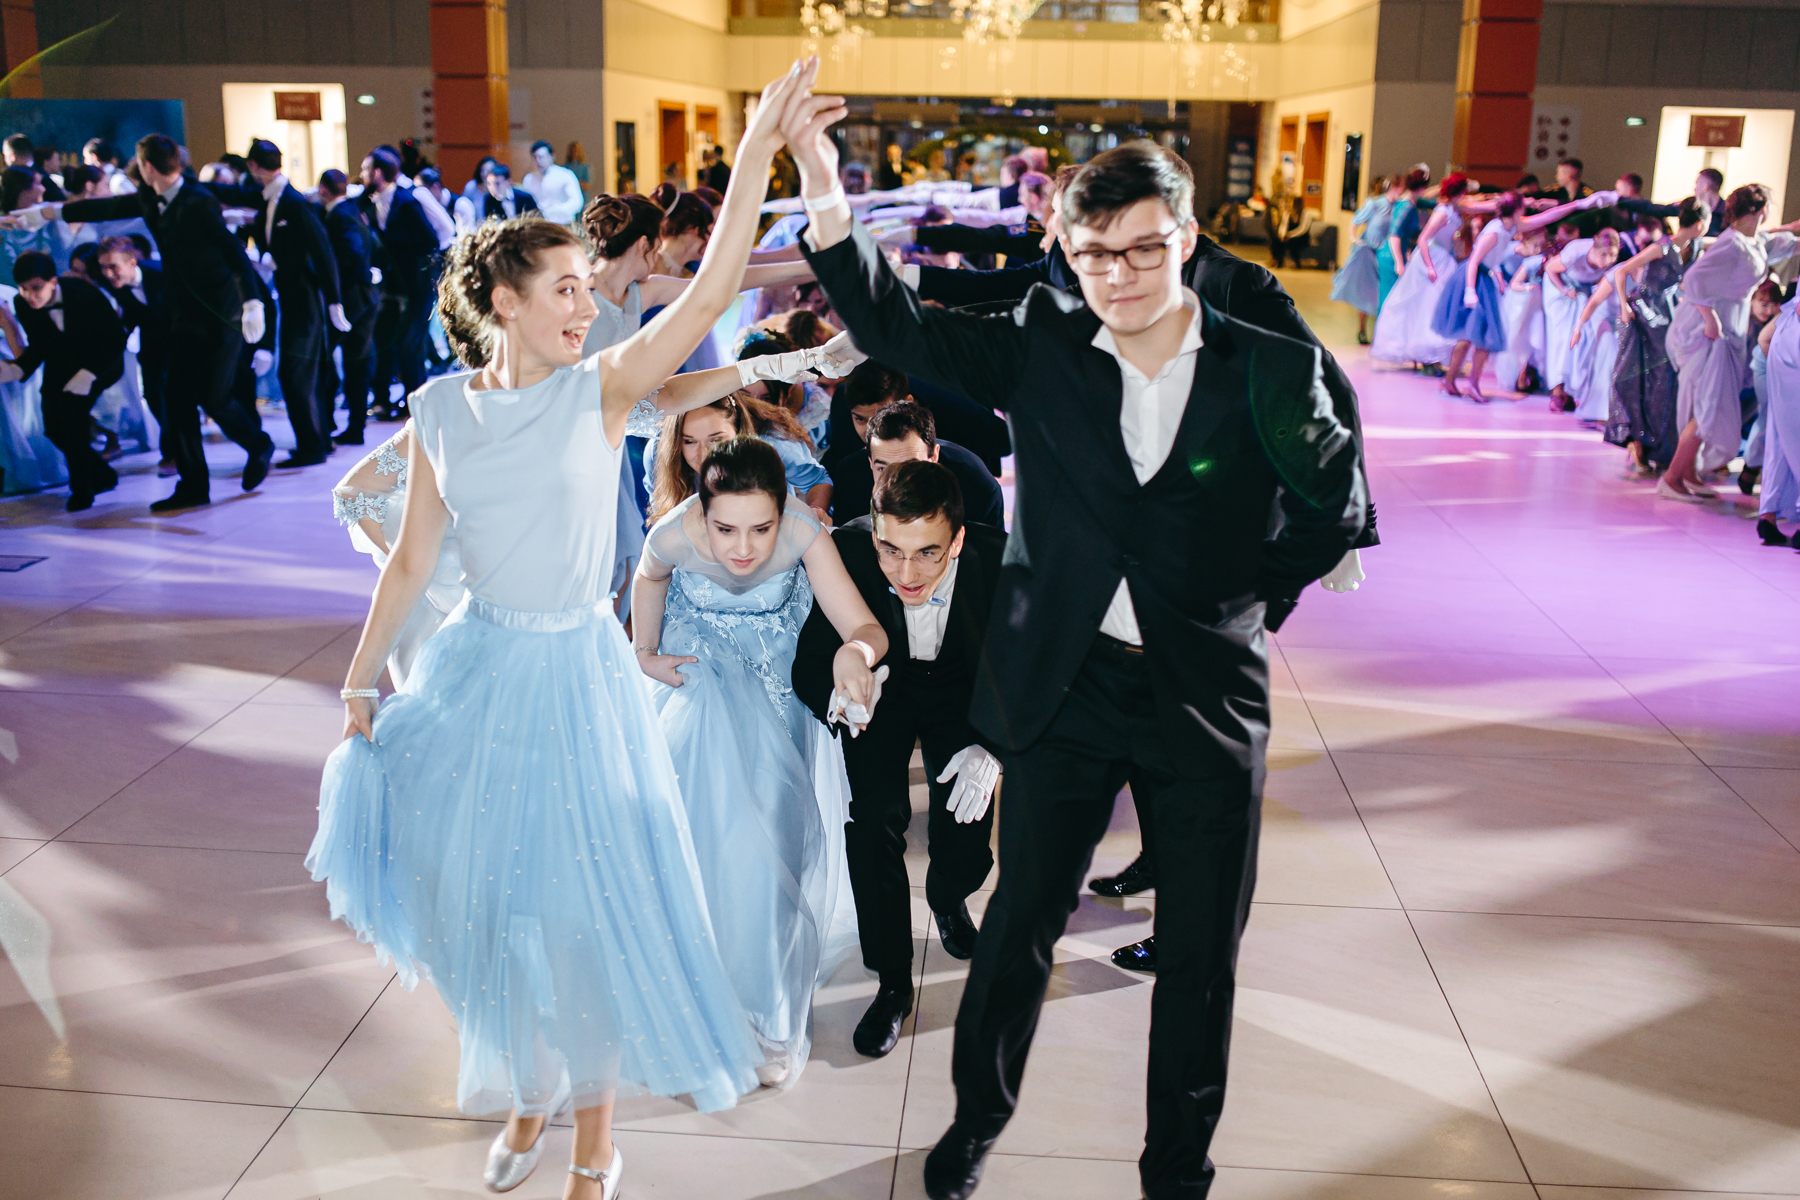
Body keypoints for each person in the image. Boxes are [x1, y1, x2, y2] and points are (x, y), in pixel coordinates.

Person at [786, 82, 1368, 1199]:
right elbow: (899, 326)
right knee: (1018, 925)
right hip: (1069, 684)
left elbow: (1333, 507)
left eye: (1143, 250)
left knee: (1200, 953)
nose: (1119, 276)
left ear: (1186, 239)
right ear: (1067, 247)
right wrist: (823, 190)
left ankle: (1177, 1170)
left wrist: (1244, 607)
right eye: (1095, 253)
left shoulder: (1266, 360)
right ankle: (975, 1124)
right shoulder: (1044, 342)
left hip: (1207, 696)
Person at [309, 61, 834, 1200]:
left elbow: (709, 290)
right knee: (483, 903)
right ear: (503, 301)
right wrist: (358, 683)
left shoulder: (597, 390)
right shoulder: (438, 410)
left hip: (578, 674)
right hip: (475, 670)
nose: (587, 305)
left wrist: (758, 152)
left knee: (582, 908)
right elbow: (410, 561)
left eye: (587, 289)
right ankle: (528, 1087)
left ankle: (595, 1138)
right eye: (564, 288)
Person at [632, 434, 876, 1086]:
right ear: (702, 511)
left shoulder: (804, 533)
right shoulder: (673, 534)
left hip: (776, 691)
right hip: (702, 680)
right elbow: (649, 576)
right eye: (726, 529)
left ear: (781, 510)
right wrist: (644, 652)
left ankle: (764, 1011)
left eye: (760, 529)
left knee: (773, 846)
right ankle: (696, 997)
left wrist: (855, 654)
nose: (742, 548)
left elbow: (863, 626)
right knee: (703, 837)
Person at [792, 459, 1007, 1059]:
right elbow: (810, 661)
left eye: (927, 554)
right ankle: (892, 983)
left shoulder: (1001, 561)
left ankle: (948, 897)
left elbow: (1030, 668)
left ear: (957, 540)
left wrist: (995, 747)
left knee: (964, 833)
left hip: (965, 699)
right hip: (881, 696)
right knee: (873, 824)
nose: (906, 573)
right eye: (891, 550)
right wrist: (839, 698)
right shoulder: (849, 554)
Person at [42, 133, 275, 510]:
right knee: (177, 398)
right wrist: (47, 213)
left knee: (213, 397)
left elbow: (232, 251)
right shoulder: (151, 197)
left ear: (148, 167)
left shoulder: (198, 200)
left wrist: (252, 302)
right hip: (184, 316)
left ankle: (258, 444)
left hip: (221, 314)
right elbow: (109, 207)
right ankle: (193, 486)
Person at [209, 139, 350, 466]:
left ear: (254, 166)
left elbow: (323, 252)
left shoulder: (294, 202)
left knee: (296, 374)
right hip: (293, 298)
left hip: (306, 299)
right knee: (301, 374)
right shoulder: (269, 197)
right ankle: (317, 442)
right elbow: (234, 195)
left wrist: (334, 302)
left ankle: (313, 447)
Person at [1661, 184, 1800, 500]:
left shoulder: (1752, 241)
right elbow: (1692, 279)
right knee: (1708, 406)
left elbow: (1784, 244)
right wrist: (1711, 320)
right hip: (1709, 329)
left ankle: (1688, 473)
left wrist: (1791, 229)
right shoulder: (1732, 244)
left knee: (1709, 404)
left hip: (1728, 323)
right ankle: (1671, 478)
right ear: (1758, 210)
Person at [330, 424, 464, 687]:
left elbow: (354, 490)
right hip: (449, 613)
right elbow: (354, 491)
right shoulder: (443, 415)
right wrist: (423, 564)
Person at [0, 252, 126, 509]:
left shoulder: (84, 294)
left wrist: (88, 374)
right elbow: (40, 345)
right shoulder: (22, 303)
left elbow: (114, 338)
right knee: (53, 428)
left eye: (36, 288)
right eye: (23, 288)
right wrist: (17, 370)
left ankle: (82, 489)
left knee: (71, 417)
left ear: (53, 281)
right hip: (61, 364)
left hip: (100, 361)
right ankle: (102, 472)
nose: (29, 295)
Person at [1596, 201, 1705, 475]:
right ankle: (1636, 439)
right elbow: (1621, 271)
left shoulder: (1695, 246)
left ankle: (1656, 445)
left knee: (1664, 379)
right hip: (1643, 311)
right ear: (1699, 224)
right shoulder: (1662, 247)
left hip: (1667, 313)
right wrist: (1624, 306)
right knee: (1636, 376)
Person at [826, 395, 1005, 530]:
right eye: (882, 468)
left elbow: (991, 557)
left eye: (910, 467)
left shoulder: (977, 488)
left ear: (933, 457)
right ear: (870, 461)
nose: (896, 482)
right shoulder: (849, 481)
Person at [358, 147, 439, 421]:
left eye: (366, 170)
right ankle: (388, 401)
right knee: (388, 340)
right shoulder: (371, 202)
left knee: (410, 343)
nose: (362, 175)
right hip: (392, 287)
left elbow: (431, 239)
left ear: (378, 173)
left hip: (417, 285)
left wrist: (397, 252)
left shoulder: (406, 201)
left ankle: (416, 404)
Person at [97, 235, 174, 472]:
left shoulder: (162, 274)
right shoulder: (115, 284)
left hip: (179, 339)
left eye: (113, 267)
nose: (108, 273)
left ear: (132, 263)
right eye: (103, 267)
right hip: (151, 343)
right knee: (152, 393)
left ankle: (174, 453)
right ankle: (173, 450)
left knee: (171, 396)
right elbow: (132, 312)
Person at [318, 169, 381, 446]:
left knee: (330, 359)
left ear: (323, 189)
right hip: (365, 298)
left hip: (350, 300)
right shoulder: (352, 209)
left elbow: (353, 252)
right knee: (357, 364)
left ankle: (330, 422)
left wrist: (364, 275)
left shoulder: (340, 215)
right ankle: (355, 427)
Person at [1756, 290, 1800, 546]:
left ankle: (1768, 516)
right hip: (1793, 344)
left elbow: (1764, 338)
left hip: (1783, 343)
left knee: (1779, 435)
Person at [1332, 174, 1398, 343]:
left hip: (1387, 254)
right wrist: (1354, 239)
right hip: (1369, 252)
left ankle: (1381, 332)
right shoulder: (1374, 204)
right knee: (1367, 290)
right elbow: (1356, 220)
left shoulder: (1398, 205)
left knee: (1385, 292)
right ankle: (1362, 329)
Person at [521, 140, 585, 225]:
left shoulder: (565, 175)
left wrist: (558, 210)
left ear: (552, 156)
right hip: (538, 224)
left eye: (542, 157)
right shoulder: (529, 179)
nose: (539, 161)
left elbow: (577, 202)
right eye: (535, 157)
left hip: (562, 224)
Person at [1268, 196, 1314, 269]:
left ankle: (1297, 262)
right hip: (1289, 235)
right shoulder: (1287, 214)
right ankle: (1277, 260)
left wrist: (1289, 235)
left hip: (1302, 237)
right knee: (1276, 239)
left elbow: (1302, 229)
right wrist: (1281, 235)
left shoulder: (1305, 214)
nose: (1290, 205)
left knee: (1292, 242)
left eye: (1291, 203)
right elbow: (1283, 225)